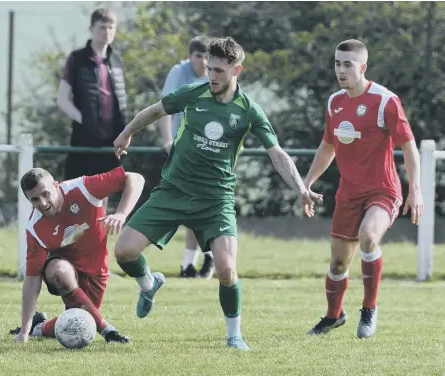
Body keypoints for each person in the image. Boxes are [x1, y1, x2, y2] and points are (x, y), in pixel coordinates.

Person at [112, 37, 322, 350]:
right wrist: (126, 133)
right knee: (123, 252)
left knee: (226, 269)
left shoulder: (248, 110)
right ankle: (148, 283)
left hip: (215, 199)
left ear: (237, 70)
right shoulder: (193, 93)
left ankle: (234, 336)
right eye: (209, 68)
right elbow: (155, 111)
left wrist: (302, 189)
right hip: (174, 189)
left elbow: (276, 153)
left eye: (219, 71)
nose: (212, 76)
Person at [305, 39, 424, 338]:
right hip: (349, 192)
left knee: (368, 237)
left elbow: (409, 148)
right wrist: (306, 183)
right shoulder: (334, 102)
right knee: (337, 262)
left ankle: (369, 310)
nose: (341, 70)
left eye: (348, 64)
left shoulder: (385, 101)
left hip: (383, 189)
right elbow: (327, 147)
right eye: (337, 63)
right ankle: (334, 315)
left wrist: (416, 190)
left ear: (363, 67)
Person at [11, 166, 145, 344]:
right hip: (63, 267)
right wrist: (23, 333)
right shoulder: (34, 228)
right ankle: (109, 332)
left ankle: (40, 326)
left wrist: (121, 213)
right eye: (34, 199)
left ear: (56, 185)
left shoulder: (83, 187)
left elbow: (135, 178)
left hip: (96, 270)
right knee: (59, 271)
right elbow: (32, 281)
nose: (42, 203)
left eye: (45, 194)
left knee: (81, 320)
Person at [157, 35, 215, 279]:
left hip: (211, 150)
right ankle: (190, 265)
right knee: (190, 208)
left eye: (206, 56)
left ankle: (205, 259)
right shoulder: (179, 73)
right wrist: (168, 142)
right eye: (198, 56)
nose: (202, 62)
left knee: (207, 206)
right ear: (190, 56)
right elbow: (163, 109)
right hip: (185, 150)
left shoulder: (217, 74)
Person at [57, 8, 127, 208]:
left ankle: (99, 233)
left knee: (105, 189)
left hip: (111, 139)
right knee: (76, 189)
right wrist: (84, 119)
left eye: (111, 27)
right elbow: (62, 99)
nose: (107, 31)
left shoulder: (116, 60)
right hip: (84, 138)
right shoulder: (77, 59)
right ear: (91, 28)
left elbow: (121, 99)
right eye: (102, 27)